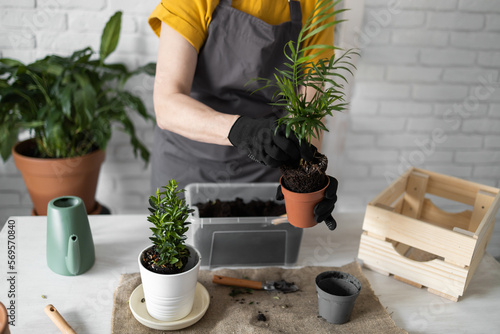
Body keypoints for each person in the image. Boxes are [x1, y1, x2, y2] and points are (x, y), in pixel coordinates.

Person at [148, 0, 337, 229]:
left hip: (263, 166)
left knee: (259, 258)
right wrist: (243, 131)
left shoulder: (316, 3)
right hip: (188, 162)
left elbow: (309, 109)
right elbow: (167, 104)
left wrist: (309, 175)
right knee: (182, 255)